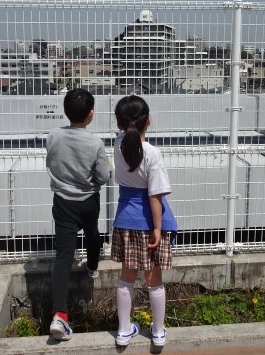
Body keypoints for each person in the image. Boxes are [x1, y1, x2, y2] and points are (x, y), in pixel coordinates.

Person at [111, 95, 177, 347]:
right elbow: (155, 196)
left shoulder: (118, 145)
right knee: (153, 278)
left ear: (119, 124)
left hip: (125, 219)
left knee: (126, 277)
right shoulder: (152, 153)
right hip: (149, 223)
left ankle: (123, 330)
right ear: (148, 120)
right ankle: (158, 332)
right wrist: (158, 228)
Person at [45, 88, 110, 341]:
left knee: (64, 256)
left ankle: (60, 315)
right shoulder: (95, 143)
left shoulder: (53, 135)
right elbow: (102, 177)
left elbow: (51, 162)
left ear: (65, 111)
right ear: (91, 114)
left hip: (63, 201)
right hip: (88, 200)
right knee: (92, 234)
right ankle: (92, 267)